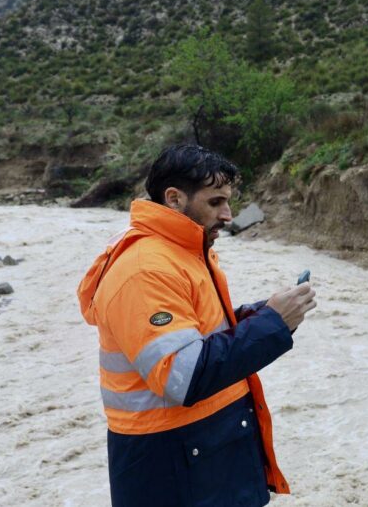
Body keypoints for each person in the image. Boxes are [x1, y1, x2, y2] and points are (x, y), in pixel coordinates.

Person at [76, 144, 317, 506]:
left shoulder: (183, 250)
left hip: (204, 449)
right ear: (174, 199)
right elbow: (182, 376)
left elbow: (198, 333)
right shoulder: (146, 269)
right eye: (216, 202)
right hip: (172, 461)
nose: (228, 215)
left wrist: (261, 313)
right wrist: (271, 325)